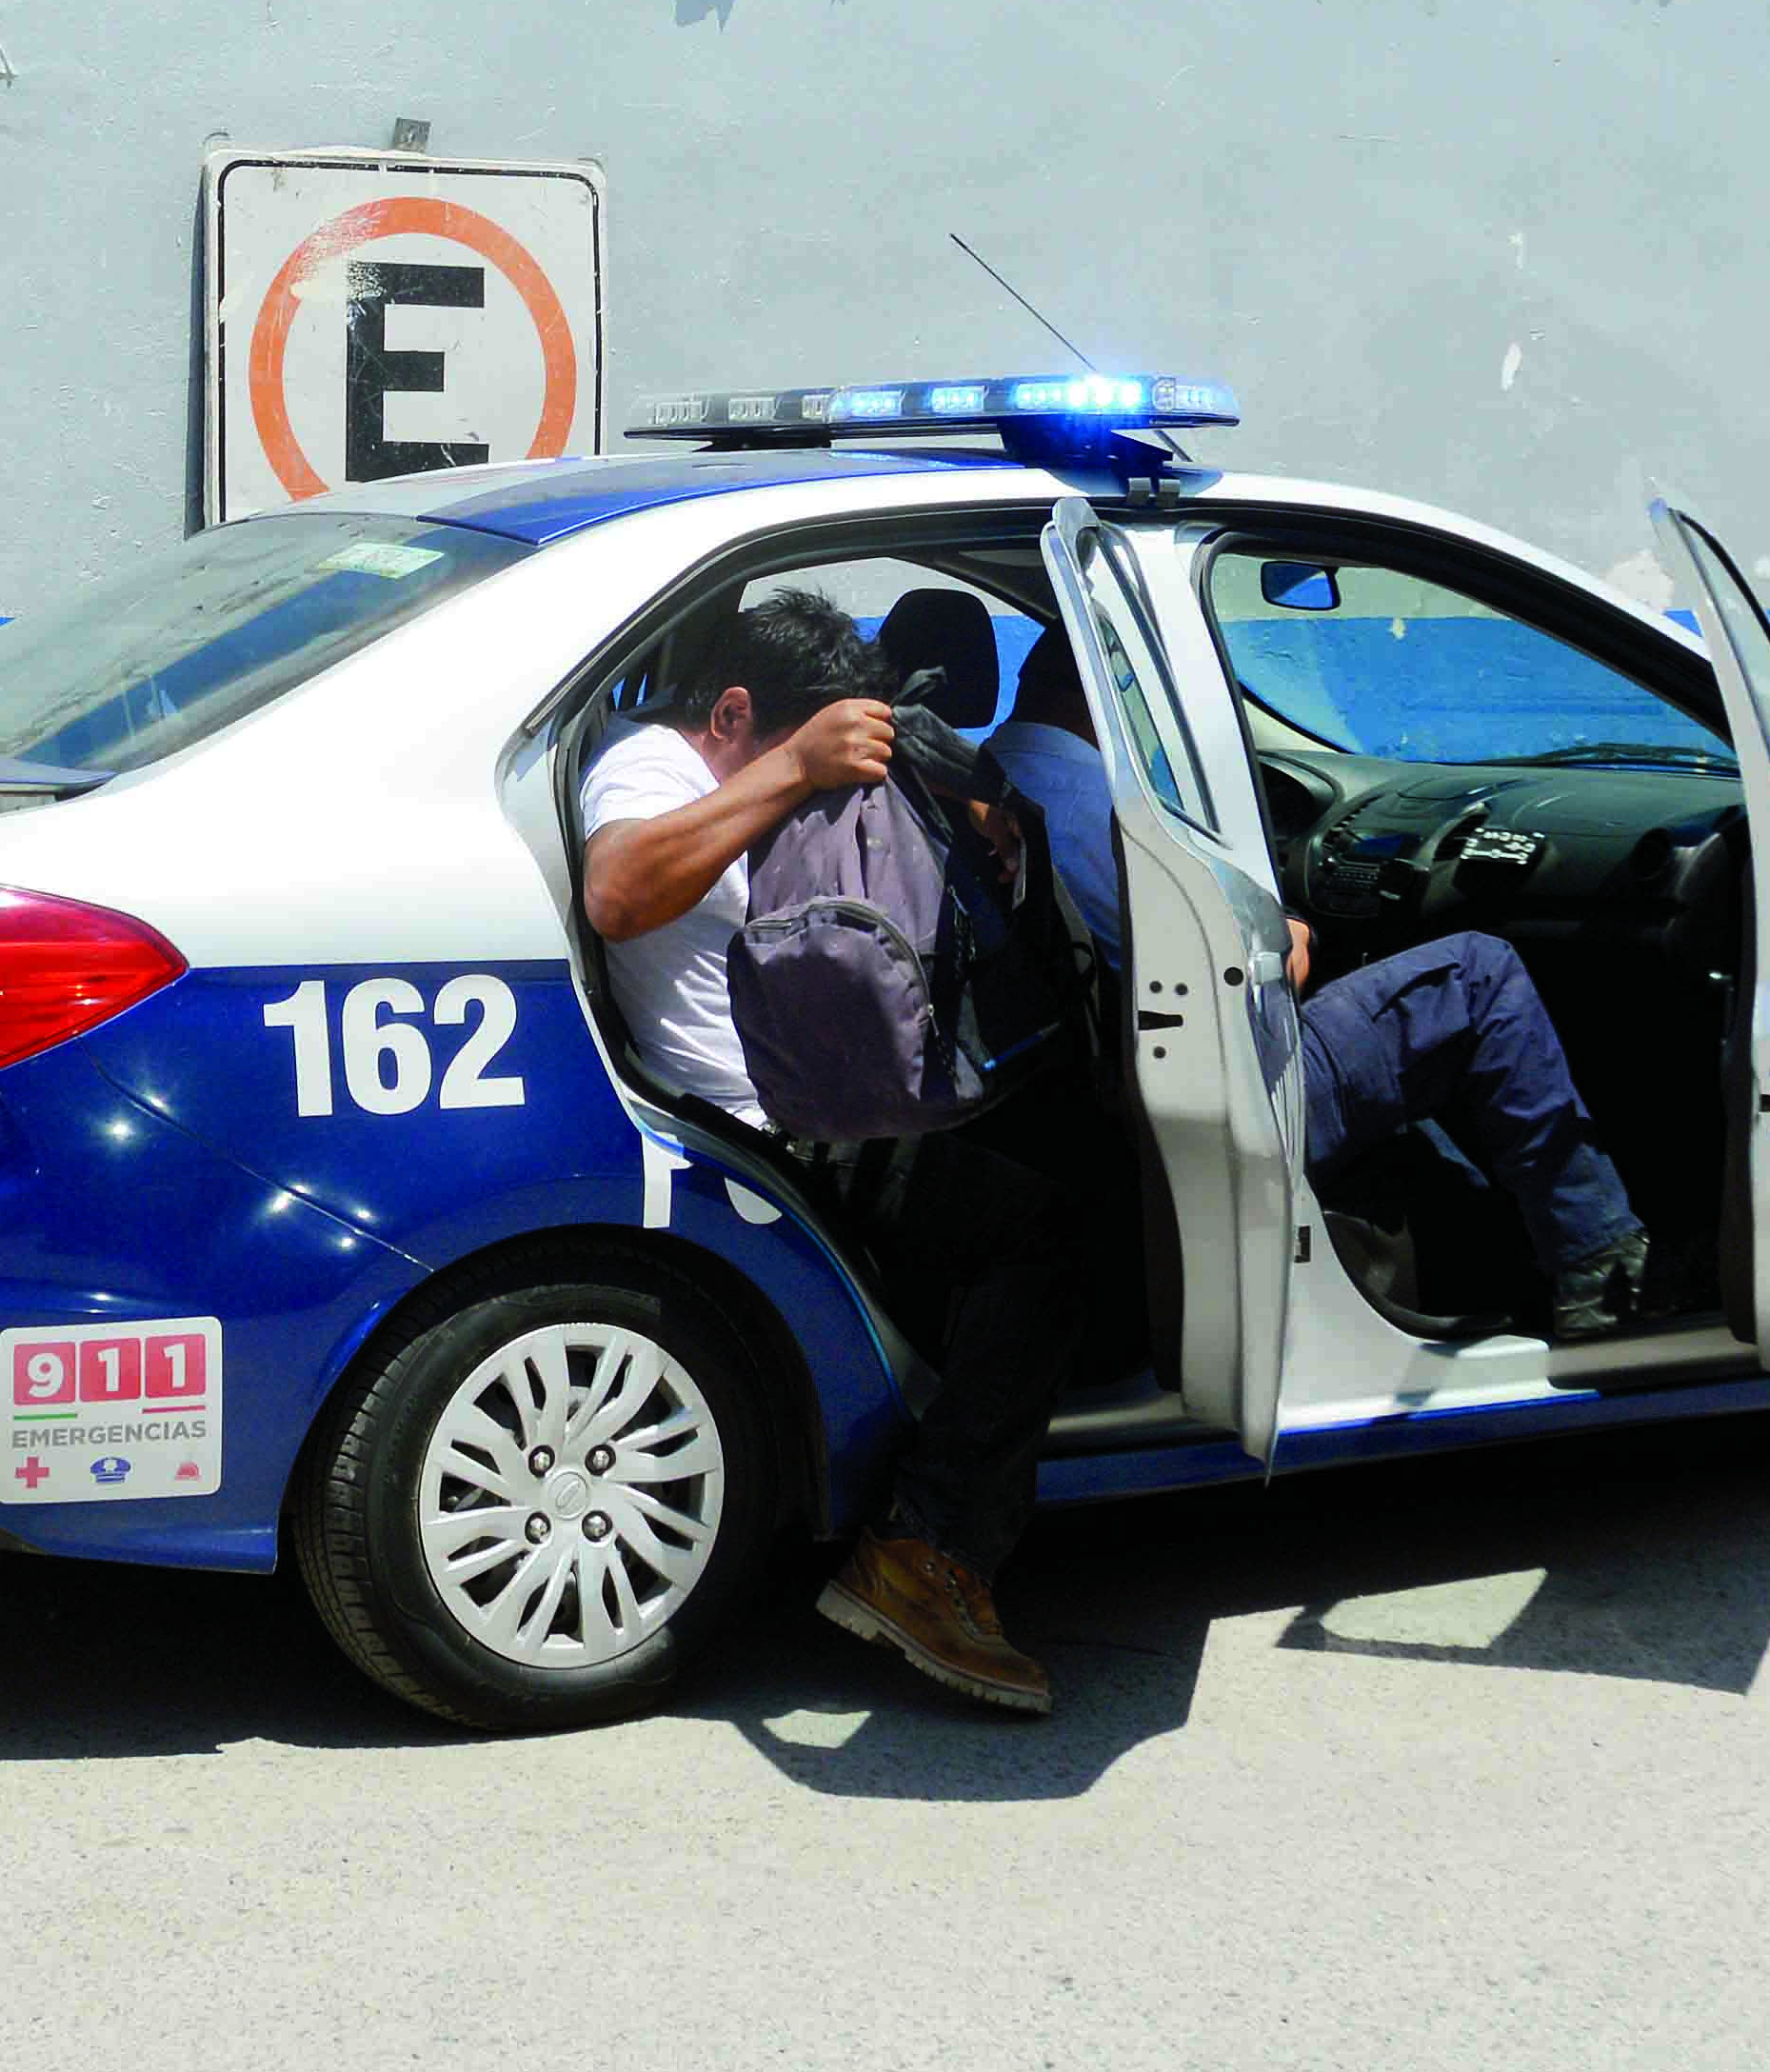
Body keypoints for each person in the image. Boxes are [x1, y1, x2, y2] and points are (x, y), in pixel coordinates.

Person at [577, 589, 1096, 1719]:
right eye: (786, 739)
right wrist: (798, 768)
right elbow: (617, 894)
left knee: (1061, 1135)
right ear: (730, 712)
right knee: (1045, 1235)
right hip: (763, 1132)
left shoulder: (731, 762)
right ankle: (929, 1548)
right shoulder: (649, 767)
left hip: (815, 1089)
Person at [989, 636, 1662, 1343]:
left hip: (1100, 1100)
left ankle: (1501, 1260)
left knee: (1402, 1054)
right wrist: (1294, 934)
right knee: (1475, 975)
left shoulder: (998, 779)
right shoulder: (1099, 807)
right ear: (1113, 697)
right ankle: (1602, 1269)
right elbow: (1242, 977)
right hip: (1225, 1089)